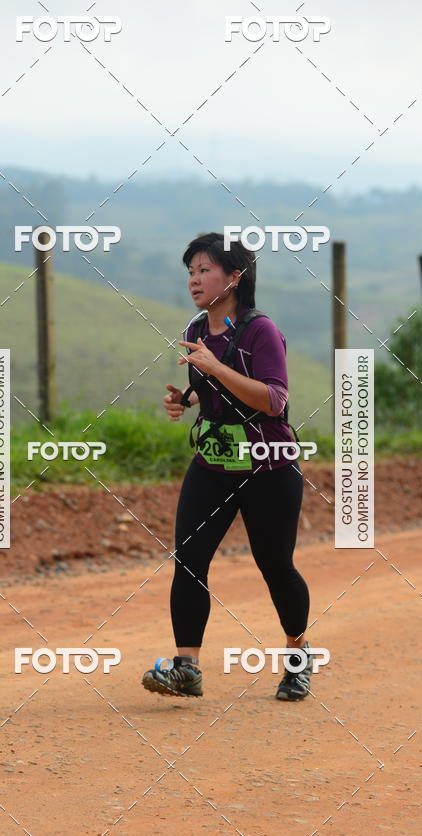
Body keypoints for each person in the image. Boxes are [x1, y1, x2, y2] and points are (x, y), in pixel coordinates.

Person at [141, 232, 313, 702]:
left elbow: (275, 401)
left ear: (235, 277)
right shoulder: (197, 329)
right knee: (189, 561)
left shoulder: (261, 330)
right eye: (190, 272)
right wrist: (187, 398)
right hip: (214, 461)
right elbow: (212, 388)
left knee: (275, 565)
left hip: (268, 466)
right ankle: (186, 669)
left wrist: (215, 370)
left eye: (204, 270)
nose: (194, 280)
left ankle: (298, 658)